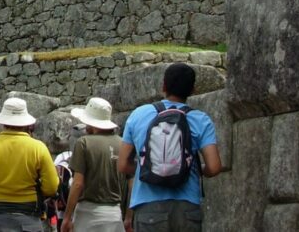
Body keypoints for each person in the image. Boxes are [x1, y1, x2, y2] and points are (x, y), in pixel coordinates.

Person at [118, 64, 222, 232]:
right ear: (193, 89)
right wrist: (193, 168)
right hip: (187, 209)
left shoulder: (139, 115)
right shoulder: (201, 120)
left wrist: (151, 166)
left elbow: (122, 165)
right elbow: (215, 167)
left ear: (164, 86)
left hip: (148, 207)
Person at [0, 97, 59, 232]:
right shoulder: (38, 148)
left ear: (3, 122)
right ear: (26, 123)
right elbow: (51, 187)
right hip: (29, 216)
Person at [62, 98, 130, 232]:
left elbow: (77, 184)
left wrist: (67, 217)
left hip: (87, 215)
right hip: (114, 215)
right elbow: (132, 184)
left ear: (91, 123)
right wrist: (128, 217)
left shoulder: (83, 143)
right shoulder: (123, 144)